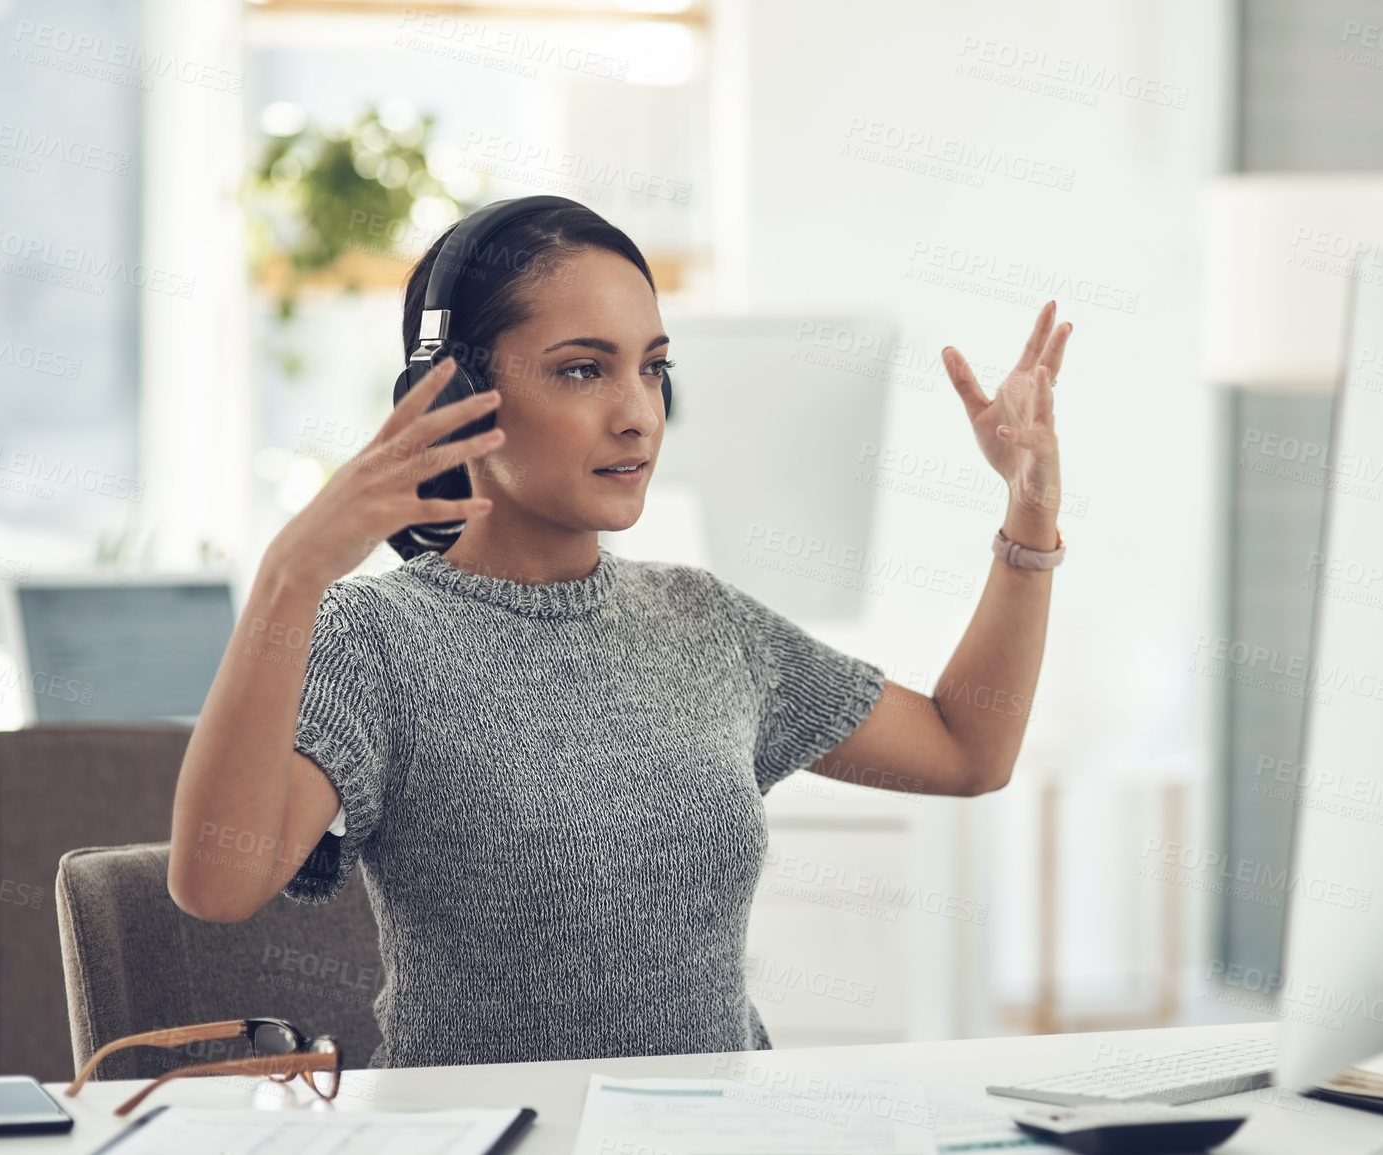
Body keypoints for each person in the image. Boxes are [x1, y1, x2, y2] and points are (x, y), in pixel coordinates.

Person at [167, 197, 1071, 1067]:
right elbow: (216, 883)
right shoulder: (375, 636)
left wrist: (1029, 510)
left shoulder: (703, 619)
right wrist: (291, 575)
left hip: (718, 1136)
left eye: (653, 367)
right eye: (581, 369)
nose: (638, 411)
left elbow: (967, 749)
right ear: (457, 396)